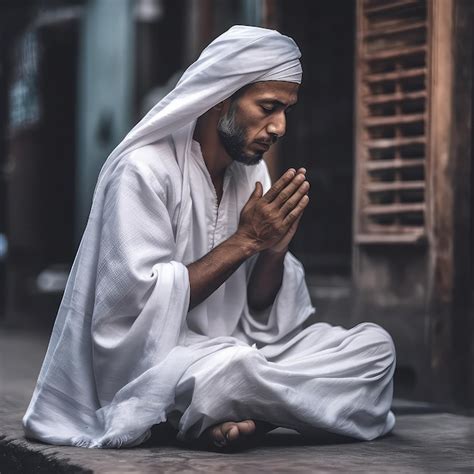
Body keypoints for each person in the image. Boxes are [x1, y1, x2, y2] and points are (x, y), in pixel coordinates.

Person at [23, 25, 396, 449]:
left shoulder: (251, 171)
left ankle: (249, 415)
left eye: (286, 110)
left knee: (374, 349)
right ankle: (234, 407)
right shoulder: (143, 170)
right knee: (233, 369)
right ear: (222, 97)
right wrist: (248, 240)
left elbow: (260, 315)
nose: (279, 127)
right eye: (269, 107)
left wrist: (273, 252)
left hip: (237, 353)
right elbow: (135, 309)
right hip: (159, 363)